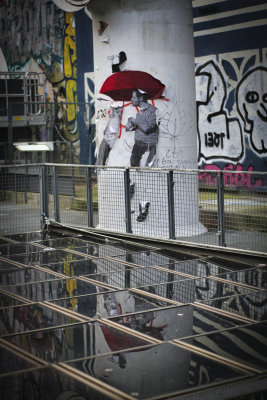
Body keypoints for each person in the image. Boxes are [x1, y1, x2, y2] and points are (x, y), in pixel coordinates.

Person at [126, 89, 159, 167]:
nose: (131, 99)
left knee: (146, 170)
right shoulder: (140, 112)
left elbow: (146, 129)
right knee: (134, 167)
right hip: (138, 145)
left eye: (134, 97)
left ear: (140, 98)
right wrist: (131, 126)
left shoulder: (152, 111)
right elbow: (139, 127)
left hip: (147, 146)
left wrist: (134, 121)